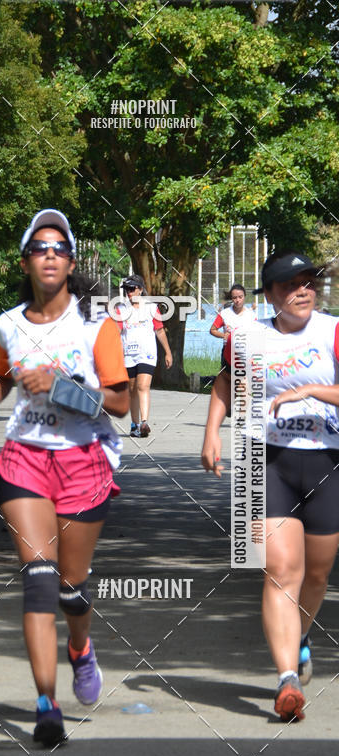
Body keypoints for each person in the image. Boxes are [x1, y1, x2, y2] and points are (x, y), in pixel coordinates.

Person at [0, 209, 129, 747]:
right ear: (25, 261)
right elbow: (2, 375)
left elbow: (122, 403)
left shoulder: (97, 327)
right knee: (38, 580)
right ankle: (46, 705)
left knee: (70, 589)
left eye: (59, 247)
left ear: (69, 262)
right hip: (25, 456)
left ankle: (81, 648)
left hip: (84, 458)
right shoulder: (7, 324)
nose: (49, 254)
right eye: (39, 247)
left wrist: (62, 386)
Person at [201, 250, 337, 722]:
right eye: (289, 284)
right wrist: (212, 432)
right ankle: (286, 680)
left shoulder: (333, 331)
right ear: (270, 294)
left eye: (308, 283)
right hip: (264, 460)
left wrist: (312, 391)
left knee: (316, 574)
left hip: (327, 460)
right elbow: (225, 384)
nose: (302, 291)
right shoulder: (250, 336)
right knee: (281, 570)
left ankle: (300, 637)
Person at [120, 275, 172, 437]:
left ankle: (144, 422)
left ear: (141, 290)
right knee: (132, 389)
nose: (129, 292)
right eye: (127, 290)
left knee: (143, 386)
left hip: (147, 353)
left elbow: (159, 330)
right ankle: (134, 425)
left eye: (132, 289)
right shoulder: (121, 309)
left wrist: (168, 352)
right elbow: (116, 332)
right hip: (128, 354)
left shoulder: (151, 307)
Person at [210, 283, 257, 370]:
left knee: (243, 381)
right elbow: (212, 330)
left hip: (245, 352)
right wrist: (224, 336)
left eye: (240, 297)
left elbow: (257, 334)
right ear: (231, 299)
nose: (237, 300)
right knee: (227, 380)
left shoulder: (251, 315)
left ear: (244, 297)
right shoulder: (225, 313)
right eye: (235, 298)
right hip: (228, 351)